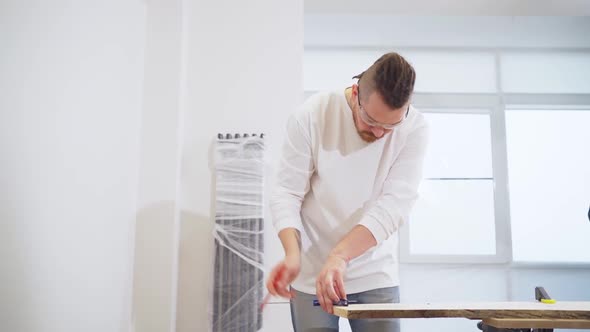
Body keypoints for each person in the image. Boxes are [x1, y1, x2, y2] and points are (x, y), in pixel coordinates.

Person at [266, 52, 429, 332]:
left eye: (391, 126)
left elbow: (394, 206)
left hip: (375, 273)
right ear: (355, 94)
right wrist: (292, 255)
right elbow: (287, 193)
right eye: (371, 121)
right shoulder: (312, 116)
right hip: (312, 272)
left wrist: (340, 256)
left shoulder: (415, 128)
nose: (379, 133)